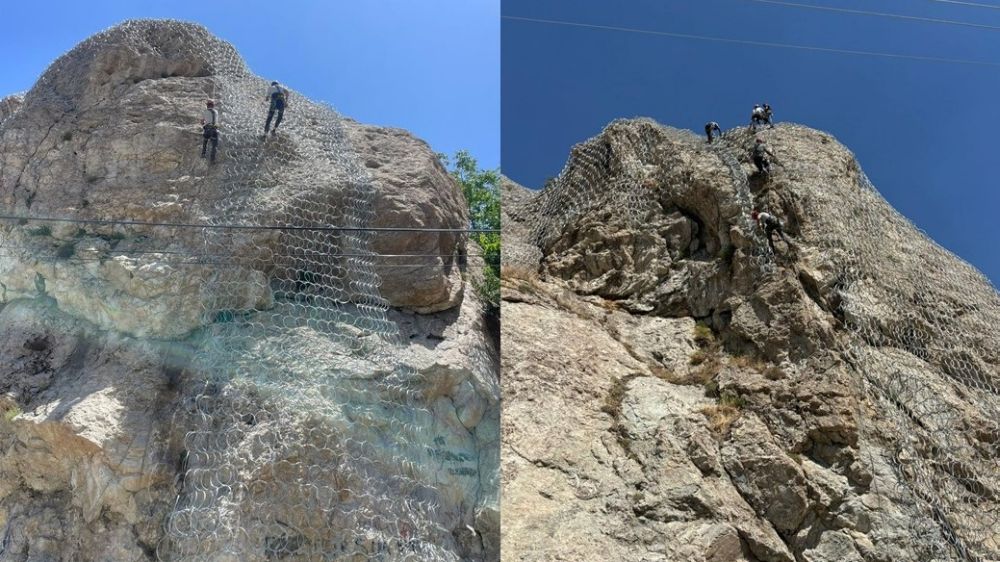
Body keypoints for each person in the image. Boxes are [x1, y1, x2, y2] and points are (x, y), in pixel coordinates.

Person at [200, 100, 219, 164]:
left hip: (207, 129)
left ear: (207, 106)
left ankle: (203, 154)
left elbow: (202, 122)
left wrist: (204, 124)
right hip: (213, 130)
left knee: (205, 141)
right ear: (213, 106)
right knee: (214, 145)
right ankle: (212, 159)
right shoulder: (216, 112)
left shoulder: (204, 112)